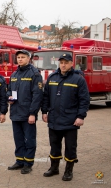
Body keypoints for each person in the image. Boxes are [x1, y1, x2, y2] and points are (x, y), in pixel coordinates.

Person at [42, 53, 90, 181]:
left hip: (71, 120)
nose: (63, 65)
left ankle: (69, 171)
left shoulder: (78, 79)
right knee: (54, 145)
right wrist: (44, 111)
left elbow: (84, 100)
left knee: (70, 147)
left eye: (66, 62)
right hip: (54, 119)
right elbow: (45, 97)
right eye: (61, 62)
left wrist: (81, 116)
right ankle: (54, 168)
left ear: (71, 64)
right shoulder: (52, 78)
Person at [7, 50, 43, 174]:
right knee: (18, 139)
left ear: (29, 58)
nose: (20, 59)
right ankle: (20, 161)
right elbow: (9, 91)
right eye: (18, 57)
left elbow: (37, 95)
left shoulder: (34, 74)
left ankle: (28, 163)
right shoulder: (14, 74)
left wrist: (33, 113)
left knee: (30, 139)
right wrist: (9, 98)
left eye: (23, 57)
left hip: (28, 114)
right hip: (16, 112)